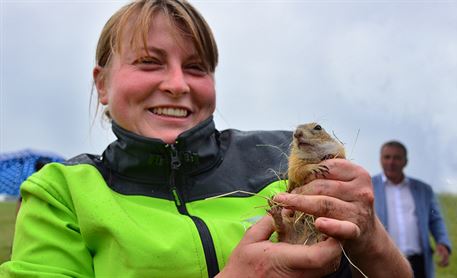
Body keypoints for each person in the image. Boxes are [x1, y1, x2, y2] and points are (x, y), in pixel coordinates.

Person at [1, 1, 412, 277]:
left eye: (196, 67)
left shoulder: (279, 158)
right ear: (102, 84)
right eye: (149, 62)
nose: (178, 84)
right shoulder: (59, 194)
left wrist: (370, 235)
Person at [372, 140, 451, 278]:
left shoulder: (423, 189)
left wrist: (442, 242)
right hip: (384, 259)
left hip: (418, 262)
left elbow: (435, 219)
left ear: (405, 161)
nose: (391, 162)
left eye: (397, 158)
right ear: (380, 159)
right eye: (387, 157)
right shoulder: (369, 186)